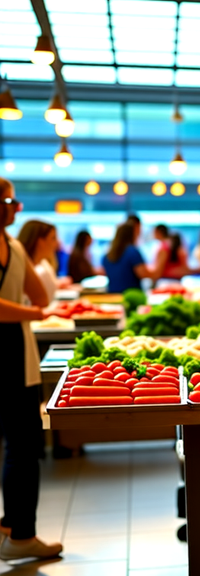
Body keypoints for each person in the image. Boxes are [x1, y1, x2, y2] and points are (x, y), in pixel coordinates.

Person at [0, 177, 62, 561]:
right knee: (21, 446)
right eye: (9, 199)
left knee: (23, 446)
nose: (16, 207)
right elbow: (39, 303)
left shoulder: (16, 246)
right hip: (14, 353)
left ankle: (18, 530)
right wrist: (34, 312)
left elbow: (39, 295)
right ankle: (17, 531)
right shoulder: (15, 246)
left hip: (17, 356)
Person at [103, 223, 156, 293]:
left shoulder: (108, 255)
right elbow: (143, 274)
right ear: (131, 234)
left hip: (113, 295)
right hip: (131, 295)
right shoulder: (132, 252)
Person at [17, 220, 61, 302]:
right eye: (53, 238)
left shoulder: (44, 265)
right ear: (40, 241)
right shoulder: (20, 269)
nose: (57, 243)